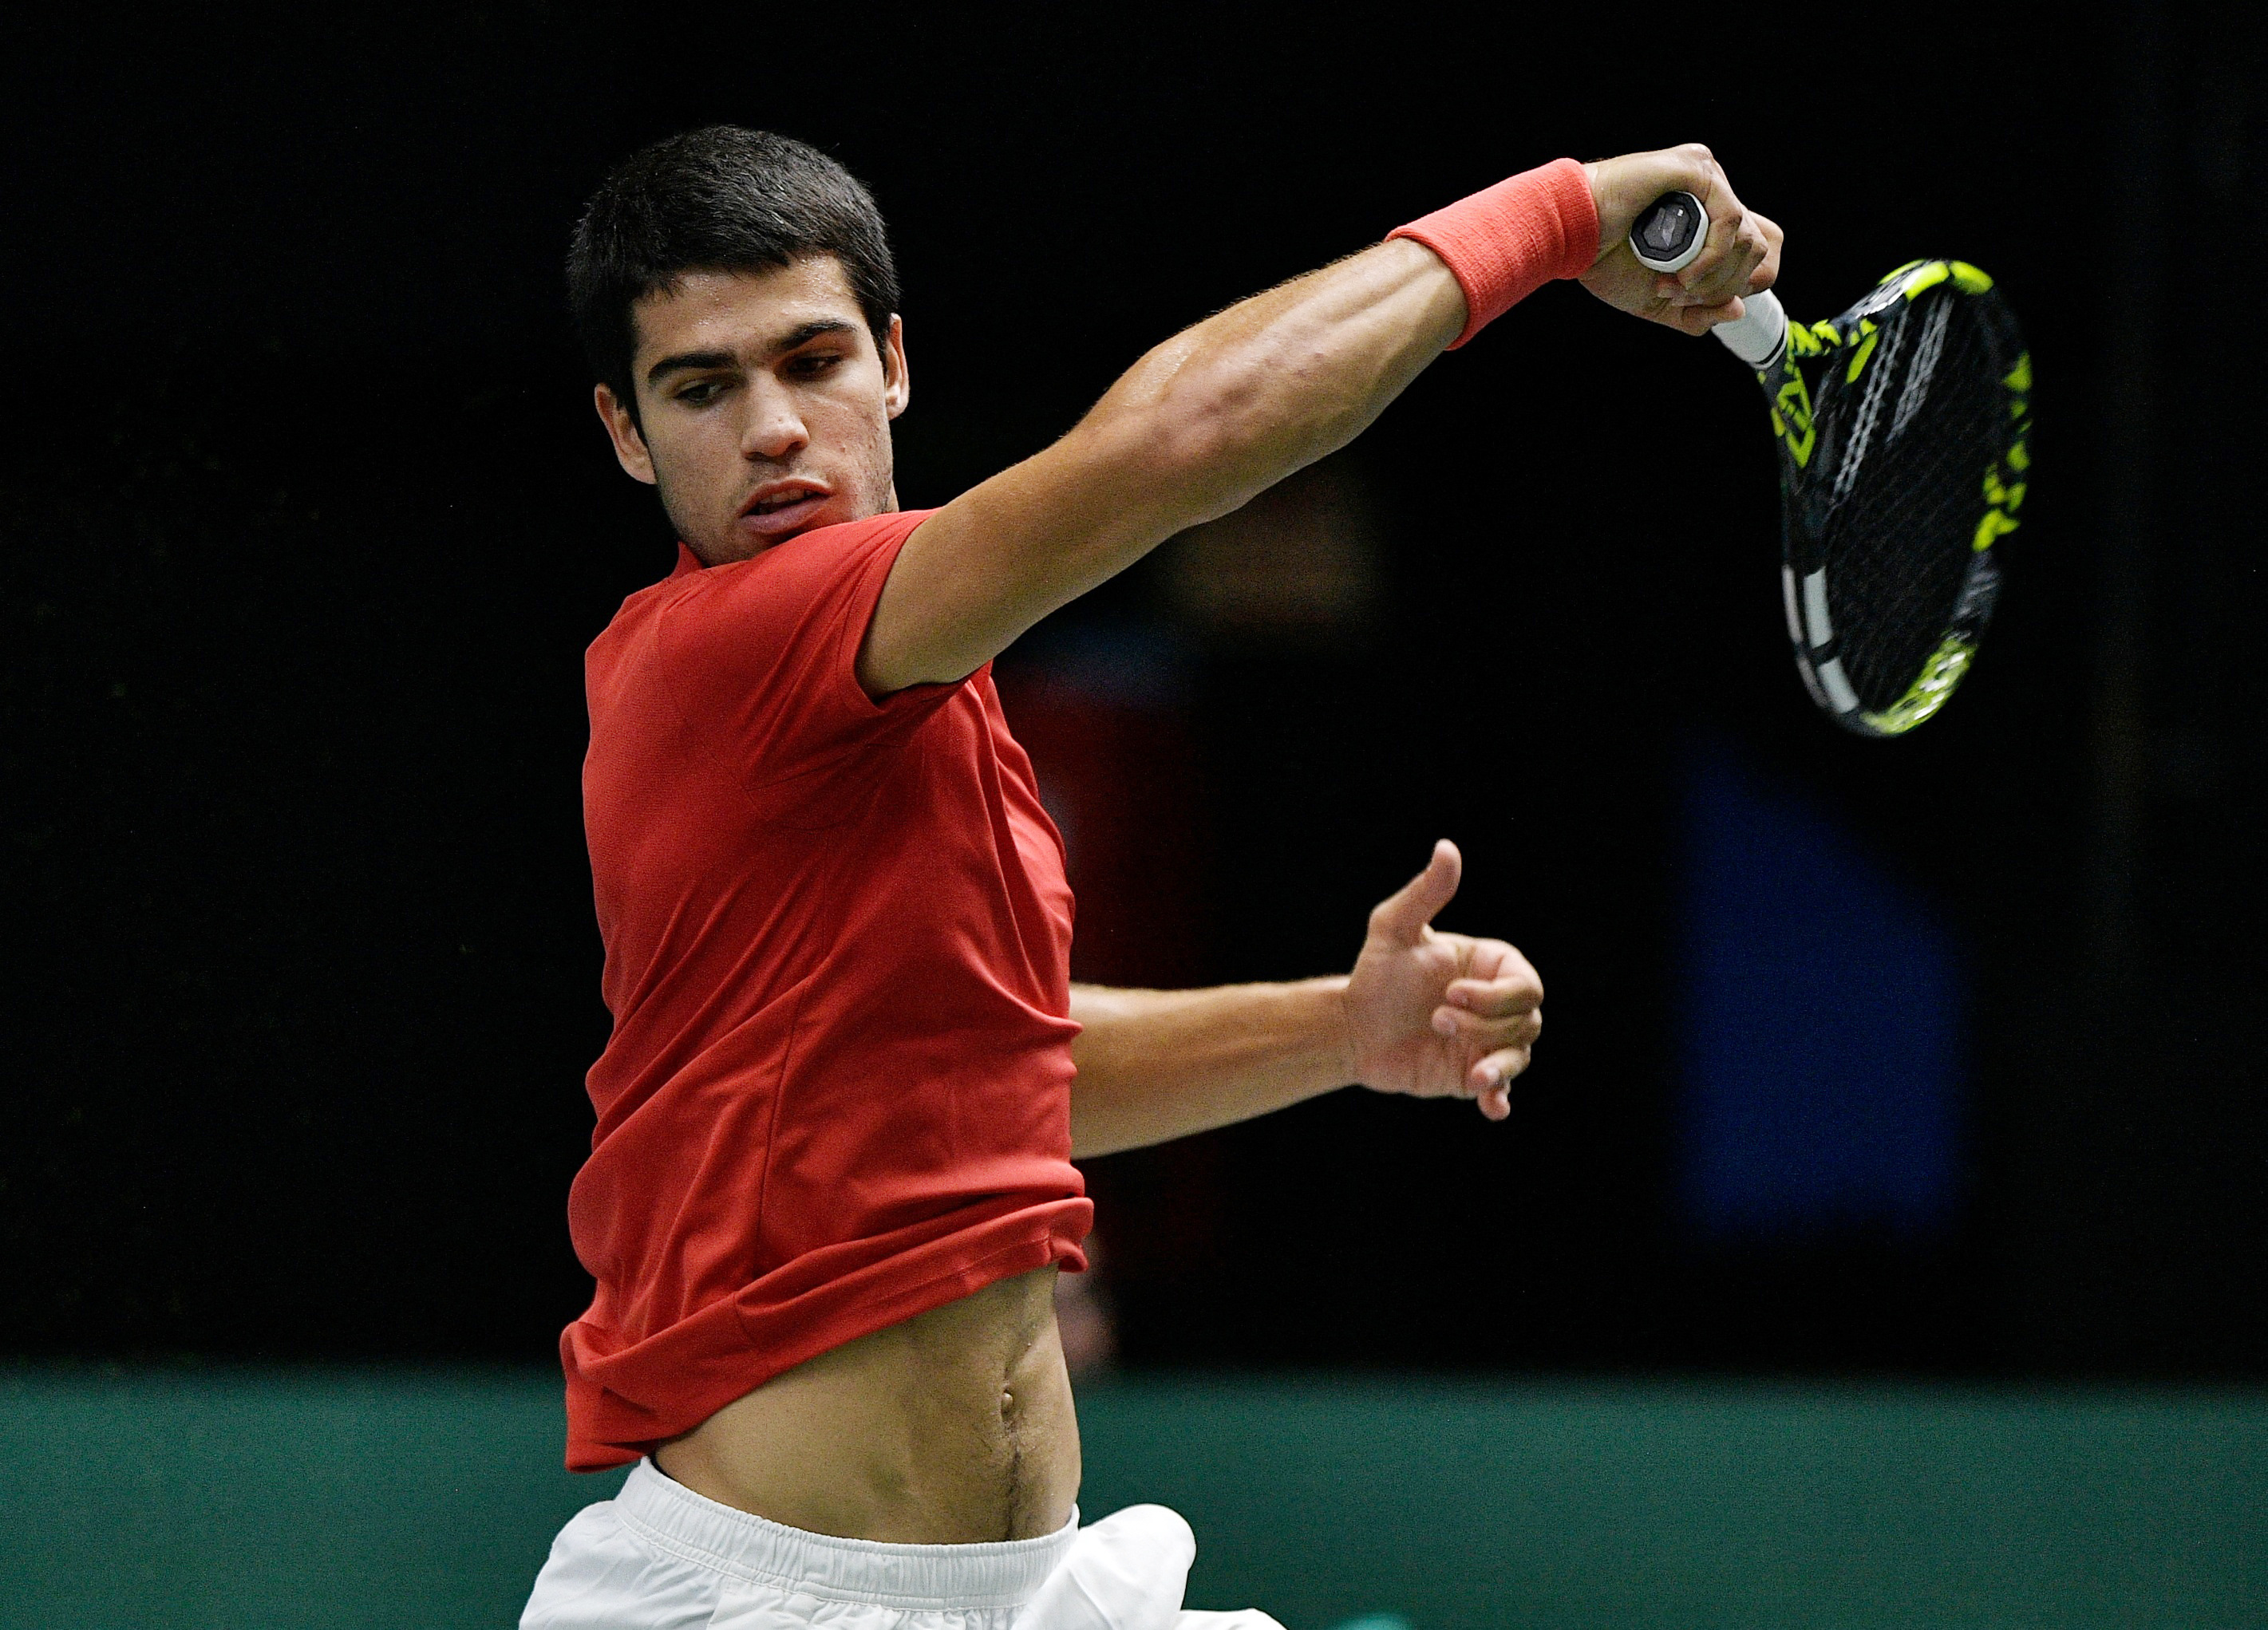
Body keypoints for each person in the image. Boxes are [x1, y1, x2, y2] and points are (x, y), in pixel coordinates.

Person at [523, 125, 1779, 1629]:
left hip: (1033, 1585)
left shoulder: (918, 702)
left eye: (812, 362)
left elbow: (995, 1077)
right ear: (624, 432)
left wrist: (1341, 1034)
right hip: (768, 1605)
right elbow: (1189, 445)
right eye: (701, 387)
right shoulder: (731, 651)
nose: (775, 428)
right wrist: (1554, 218)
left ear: (896, 365)